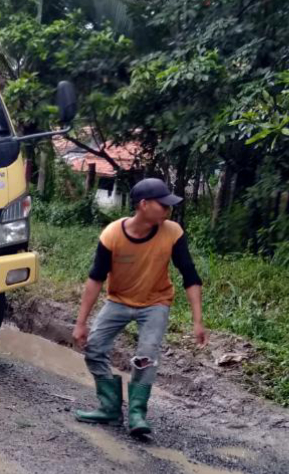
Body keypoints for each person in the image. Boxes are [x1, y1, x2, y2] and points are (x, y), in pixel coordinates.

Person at [72, 178, 208, 437]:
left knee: (146, 356)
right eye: (162, 204)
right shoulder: (112, 235)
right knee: (94, 348)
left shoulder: (172, 232)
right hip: (118, 300)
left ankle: (137, 413)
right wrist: (81, 323)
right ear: (144, 205)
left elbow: (190, 275)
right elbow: (96, 279)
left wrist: (198, 321)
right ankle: (110, 408)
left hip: (155, 303)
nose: (168, 209)